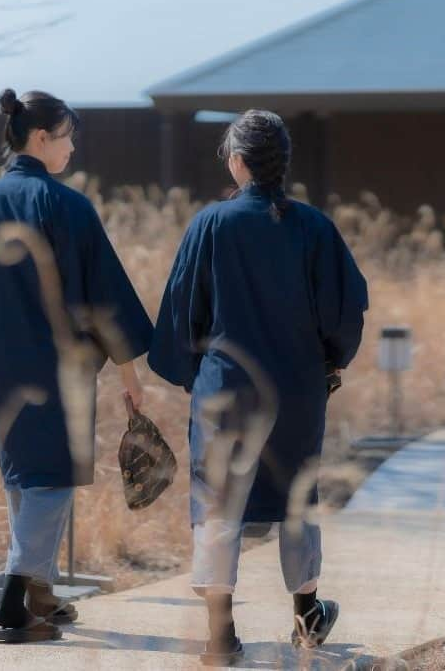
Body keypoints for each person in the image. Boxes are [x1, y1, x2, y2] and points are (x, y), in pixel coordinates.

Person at [0, 89, 154, 643]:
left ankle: (42, 595)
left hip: (5, 373)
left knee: (24, 480)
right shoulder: (70, 207)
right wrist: (129, 374)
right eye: (67, 137)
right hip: (61, 374)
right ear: (40, 138)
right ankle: (15, 605)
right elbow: (107, 298)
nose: (72, 148)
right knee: (48, 482)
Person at [148, 109, 368, 666]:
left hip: (225, 390)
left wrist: (190, 374)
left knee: (219, 503)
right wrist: (333, 363)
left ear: (239, 160)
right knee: (297, 499)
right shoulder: (314, 227)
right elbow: (346, 310)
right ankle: (308, 615)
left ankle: (219, 636)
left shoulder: (210, 226)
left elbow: (181, 310)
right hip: (295, 389)